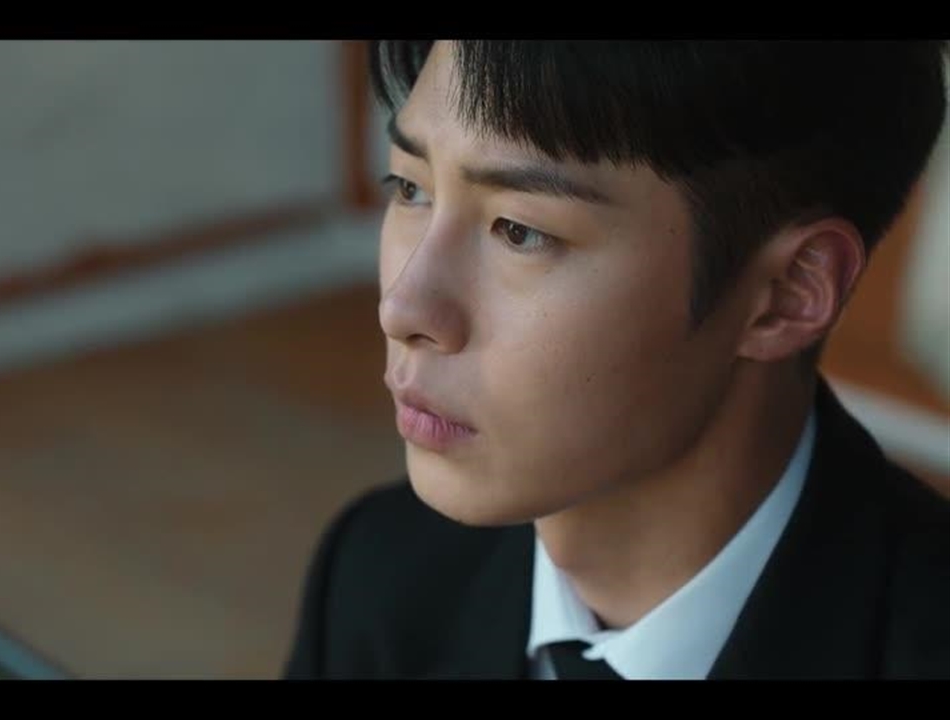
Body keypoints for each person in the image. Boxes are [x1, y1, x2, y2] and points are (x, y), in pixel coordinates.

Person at [282, 41, 950, 680]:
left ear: (785, 295)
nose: (402, 309)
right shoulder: (379, 573)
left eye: (520, 230)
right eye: (410, 188)